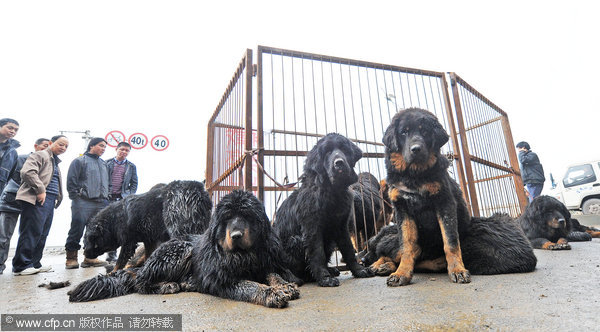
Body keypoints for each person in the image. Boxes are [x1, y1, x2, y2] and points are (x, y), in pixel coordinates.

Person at [11, 135, 68, 276]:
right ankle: (21, 266)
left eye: (66, 146)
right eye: (61, 144)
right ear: (50, 143)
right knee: (31, 231)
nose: (63, 148)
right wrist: (40, 189)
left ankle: (34, 263)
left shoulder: (54, 161)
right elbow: (27, 172)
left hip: (49, 201)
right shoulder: (40, 154)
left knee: (42, 233)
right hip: (36, 198)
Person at [0, 138, 50, 274]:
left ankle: (31, 263)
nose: (47, 149)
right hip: (12, 199)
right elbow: (12, 177)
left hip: (32, 201)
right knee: (4, 235)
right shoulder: (22, 158)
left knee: (30, 233)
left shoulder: (48, 163)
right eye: (45, 145)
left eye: (49, 146)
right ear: (36, 146)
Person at [65, 137, 109, 269]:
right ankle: (71, 258)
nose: (103, 149)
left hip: (101, 203)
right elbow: (71, 181)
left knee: (95, 231)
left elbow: (108, 183)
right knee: (76, 229)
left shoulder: (103, 163)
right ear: (92, 146)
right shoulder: (79, 161)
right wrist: (76, 197)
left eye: (105, 147)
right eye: (101, 146)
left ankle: (90, 258)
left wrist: (107, 196)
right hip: (83, 202)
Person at [104, 141, 138, 262]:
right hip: (107, 198)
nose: (124, 152)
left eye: (127, 150)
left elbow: (134, 184)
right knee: (109, 227)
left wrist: (129, 195)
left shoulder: (131, 166)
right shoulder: (106, 163)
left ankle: (122, 255)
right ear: (116, 149)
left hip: (122, 200)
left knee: (121, 227)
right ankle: (110, 254)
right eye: (122, 149)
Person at [0, 118, 20, 195]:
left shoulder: (13, 153)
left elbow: (10, 175)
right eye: (10, 128)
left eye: (16, 130)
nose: (13, 131)